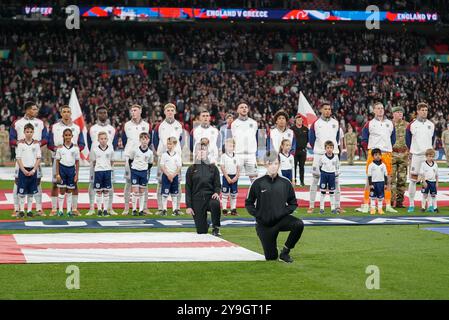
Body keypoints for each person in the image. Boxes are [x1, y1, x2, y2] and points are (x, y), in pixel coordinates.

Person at [245, 151, 304, 263]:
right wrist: (259, 215)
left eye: (276, 163)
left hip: (280, 220)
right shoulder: (257, 183)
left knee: (298, 224)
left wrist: (282, 212)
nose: (273, 166)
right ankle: (273, 248)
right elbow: (249, 203)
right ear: (265, 164)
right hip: (264, 225)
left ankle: (285, 252)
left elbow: (293, 203)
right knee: (271, 257)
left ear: (279, 164)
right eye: (271, 163)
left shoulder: (285, 183)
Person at [356, 102, 397, 214]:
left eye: (382, 108)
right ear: (373, 110)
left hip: (386, 153)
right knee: (369, 180)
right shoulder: (369, 124)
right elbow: (364, 139)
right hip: (373, 154)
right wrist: (371, 151)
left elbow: (393, 139)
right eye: (378, 108)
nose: (380, 110)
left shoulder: (390, 123)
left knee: (388, 180)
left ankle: (387, 205)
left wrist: (387, 148)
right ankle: (365, 204)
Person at [9, 101, 48, 217]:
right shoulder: (17, 123)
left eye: (36, 109)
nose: (36, 111)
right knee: (17, 181)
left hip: (35, 157)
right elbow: (11, 138)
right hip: (21, 158)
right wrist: (17, 142)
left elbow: (46, 138)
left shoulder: (40, 123)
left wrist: (39, 143)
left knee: (37, 181)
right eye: (34, 109)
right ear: (27, 110)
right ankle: (16, 209)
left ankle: (39, 208)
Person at [48, 105, 85, 216]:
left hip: (72, 160)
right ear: (61, 113)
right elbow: (50, 143)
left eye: (68, 111)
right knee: (55, 183)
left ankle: (74, 209)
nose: (66, 113)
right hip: (58, 159)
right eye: (64, 111)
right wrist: (56, 148)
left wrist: (76, 149)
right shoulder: (54, 127)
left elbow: (82, 144)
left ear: (71, 113)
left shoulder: (77, 128)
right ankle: (54, 209)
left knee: (74, 183)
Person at [308, 102, 343, 213]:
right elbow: (311, 139)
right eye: (325, 109)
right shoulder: (316, 123)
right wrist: (319, 150)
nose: (328, 111)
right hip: (319, 154)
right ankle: (312, 205)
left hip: (333, 155)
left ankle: (337, 206)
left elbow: (336, 139)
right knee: (315, 180)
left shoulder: (336, 123)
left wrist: (333, 151)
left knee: (336, 181)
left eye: (329, 109)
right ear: (321, 110)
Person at [87, 106, 118, 215]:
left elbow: (113, 145)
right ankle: (92, 208)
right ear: (97, 114)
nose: (102, 114)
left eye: (104, 112)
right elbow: (89, 143)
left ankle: (109, 208)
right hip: (95, 161)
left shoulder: (112, 129)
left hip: (108, 161)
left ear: (107, 114)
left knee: (109, 185)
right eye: (100, 113)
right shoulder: (92, 129)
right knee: (92, 183)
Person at [185, 142, 222, 236]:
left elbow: (217, 185)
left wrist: (217, 193)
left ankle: (216, 227)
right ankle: (207, 223)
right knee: (202, 231)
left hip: (210, 197)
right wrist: (188, 206)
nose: (201, 152)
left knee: (215, 203)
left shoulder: (213, 168)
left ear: (207, 152)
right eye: (199, 149)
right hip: (197, 200)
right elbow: (188, 188)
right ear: (196, 152)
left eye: (203, 149)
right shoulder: (191, 169)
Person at [153, 103, 183, 215]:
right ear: (164, 112)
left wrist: (177, 153)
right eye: (168, 110)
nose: (170, 112)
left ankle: (177, 208)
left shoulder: (179, 125)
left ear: (175, 112)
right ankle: (161, 208)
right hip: (163, 158)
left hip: (176, 158)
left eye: (172, 110)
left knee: (177, 182)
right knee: (161, 182)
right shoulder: (159, 126)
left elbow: (180, 140)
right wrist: (160, 153)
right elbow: (155, 140)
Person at [122, 104, 152, 215]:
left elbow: (150, 140)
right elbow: (125, 140)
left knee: (144, 182)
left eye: (135, 110)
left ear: (140, 111)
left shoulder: (147, 125)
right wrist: (130, 153)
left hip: (142, 157)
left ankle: (144, 208)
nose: (133, 112)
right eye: (132, 110)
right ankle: (126, 207)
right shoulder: (126, 125)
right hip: (129, 156)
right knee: (129, 182)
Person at [406, 102, 435, 213]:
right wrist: (413, 150)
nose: (424, 112)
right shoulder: (412, 125)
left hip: (427, 157)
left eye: (426, 110)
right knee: (413, 180)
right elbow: (407, 140)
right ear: (417, 111)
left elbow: (432, 140)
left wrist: (429, 153)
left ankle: (429, 205)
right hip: (416, 157)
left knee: (428, 181)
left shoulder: (431, 125)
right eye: (422, 110)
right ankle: (411, 204)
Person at [15, 123, 41, 218]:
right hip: (23, 169)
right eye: (27, 131)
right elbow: (18, 158)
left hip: (33, 170)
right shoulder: (21, 144)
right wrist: (23, 170)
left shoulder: (36, 144)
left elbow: (39, 158)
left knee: (31, 192)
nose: (29, 133)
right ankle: (21, 210)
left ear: (33, 132)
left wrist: (34, 170)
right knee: (21, 192)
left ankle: (29, 211)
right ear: (24, 132)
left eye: (31, 131)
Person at [231, 103, 259, 184]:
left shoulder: (254, 123)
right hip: (238, 154)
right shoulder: (234, 124)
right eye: (241, 107)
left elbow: (256, 137)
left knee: (254, 178)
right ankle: (233, 196)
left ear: (248, 109)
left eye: (246, 107)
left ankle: (254, 196)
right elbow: (233, 139)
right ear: (237, 110)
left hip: (250, 154)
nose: (244, 109)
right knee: (234, 176)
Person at [127, 132, 154, 216]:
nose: (144, 141)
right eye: (142, 139)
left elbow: (150, 164)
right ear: (140, 140)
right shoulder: (135, 150)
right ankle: (134, 209)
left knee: (142, 192)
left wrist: (144, 169)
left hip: (144, 173)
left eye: (146, 139)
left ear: (149, 140)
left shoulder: (150, 153)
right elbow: (130, 160)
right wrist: (134, 168)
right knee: (135, 191)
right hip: (135, 172)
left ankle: (141, 210)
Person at [55, 129, 80, 217]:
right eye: (66, 135)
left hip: (71, 170)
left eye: (69, 135)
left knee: (70, 191)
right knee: (62, 190)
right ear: (63, 136)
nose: (68, 137)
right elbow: (57, 162)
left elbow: (77, 162)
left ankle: (69, 210)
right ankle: (61, 210)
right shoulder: (60, 149)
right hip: (62, 169)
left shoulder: (76, 148)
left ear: (72, 136)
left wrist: (76, 175)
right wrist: (57, 174)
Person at [89, 131, 115, 216]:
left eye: (104, 138)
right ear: (98, 140)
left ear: (107, 139)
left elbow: (112, 161)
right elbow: (93, 161)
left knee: (106, 191)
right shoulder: (95, 150)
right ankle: (99, 209)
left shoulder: (111, 149)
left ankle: (105, 210)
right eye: (101, 139)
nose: (103, 140)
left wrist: (107, 167)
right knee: (99, 191)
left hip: (107, 171)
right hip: (98, 172)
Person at [391, 106, 409, 208]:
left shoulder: (407, 125)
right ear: (393, 114)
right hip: (392, 154)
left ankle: (399, 202)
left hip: (404, 155)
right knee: (391, 179)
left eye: (401, 112)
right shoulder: (389, 125)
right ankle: (390, 201)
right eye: (397, 112)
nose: (400, 114)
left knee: (402, 179)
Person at [160, 137, 182, 216]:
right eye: (168, 144)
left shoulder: (177, 156)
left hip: (174, 176)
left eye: (170, 144)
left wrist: (173, 175)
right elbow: (162, 166)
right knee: (164, 194)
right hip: (166, 176)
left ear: (175, 144)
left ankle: (175, 209)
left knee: (174, 194)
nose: (168, 145)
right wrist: (168, 174)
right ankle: (164, 209)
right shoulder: (164, 155)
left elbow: (179, 167)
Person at [220, 138, 240, 216]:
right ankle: (224, 209)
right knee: (225, 193)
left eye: (231, 146)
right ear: (225, 147)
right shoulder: (223, 156)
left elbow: (238, 167)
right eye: (228, 146)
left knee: (233, 194)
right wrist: (227, 177)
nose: (229, 148)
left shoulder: (237, 156)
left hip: (234, 176)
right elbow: (222, 167)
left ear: (234, 147)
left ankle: (233, 209)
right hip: (226, 176)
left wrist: (236, 176)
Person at [318, 140, 340, 214]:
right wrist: (323, 173)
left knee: (332, 193)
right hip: (324, 174)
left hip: (332, 175)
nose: (329, 149)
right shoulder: (322, 157)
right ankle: (321, 208)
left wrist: (335, 173)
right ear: (325, 148)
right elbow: (320, 166)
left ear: (333, 148)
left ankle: (333, 208)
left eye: (331, 147)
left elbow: (337, 166)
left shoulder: (336, 157)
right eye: (328, 148)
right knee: (323, 192)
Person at [367, 148, 388, 215]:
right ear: (373, 156)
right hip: (373, 183)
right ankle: (373, 209)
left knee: (380, 197)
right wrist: (370, 184)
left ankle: (380, 209)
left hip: (381, 183)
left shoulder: (383, 165)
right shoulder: (371, 165)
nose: (378, 156)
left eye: (379, 154)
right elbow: (369, 175)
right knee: (373, 197)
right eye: (376, 155)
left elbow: (385, 175)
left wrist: (385, 184)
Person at [419, 148, 439, 213]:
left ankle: (435, 208)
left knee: (433, 195)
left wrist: (437, 182)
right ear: (426, 156)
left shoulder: (435, 164)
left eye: (432, 156)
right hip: (426, 181)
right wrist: (424, 181)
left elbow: (437, 174)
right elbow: (422, 174)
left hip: (433, 182)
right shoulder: (423, 164)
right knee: (425, 195)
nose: (431, 158)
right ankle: (423, 207)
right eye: (429, 156)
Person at [291, 114, 308, 186]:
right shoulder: (292, 129)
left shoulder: (306, 129)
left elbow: (308, 139)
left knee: (302, 167)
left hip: (303, 150)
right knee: (293, 167)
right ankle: (294, 181)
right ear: (295, 121)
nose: (300, 121)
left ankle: (302, 181)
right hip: (294, 151)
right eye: (298, 120)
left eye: (301, 120)